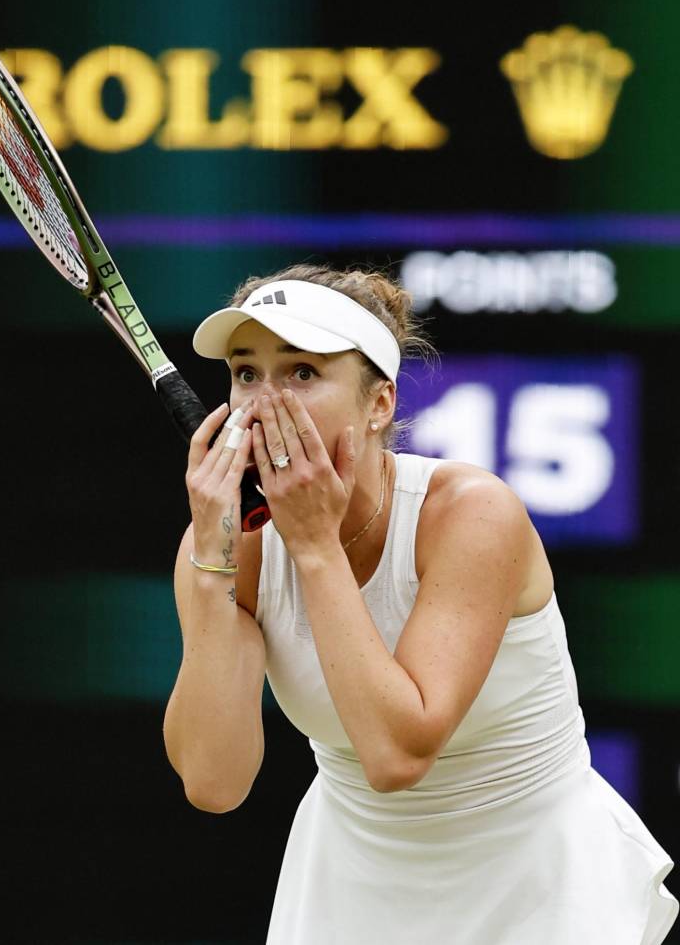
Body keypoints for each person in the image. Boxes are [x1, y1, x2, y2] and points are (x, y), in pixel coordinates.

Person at [162, 263, 678, 945]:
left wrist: (315, 544)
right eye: (246, 372)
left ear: (379, 404)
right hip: (349, 891)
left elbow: (397, 755)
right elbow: (213, 779)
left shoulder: (472, 515)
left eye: (303, 373)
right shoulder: (230, 550)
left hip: (538, 888)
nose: (264, 401)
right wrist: (211, 559)